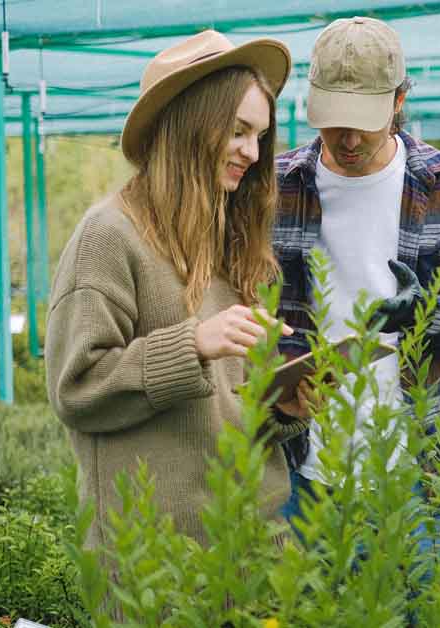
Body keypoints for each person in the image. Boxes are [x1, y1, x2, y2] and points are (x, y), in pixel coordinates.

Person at [271, 13, 440, 586]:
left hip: (423, 471)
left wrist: (436, 317)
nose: (349, 138)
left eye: (363, 121)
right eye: (334, 121)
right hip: (302, 470)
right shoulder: (276, 188)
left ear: (400, 100)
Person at [45, 30, 295, 550]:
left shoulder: (232, 241)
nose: (252, 152)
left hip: (256, 549)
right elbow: (77, 388)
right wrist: (194, 344)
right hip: (161, 565)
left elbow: (227, 407)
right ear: (192, 124)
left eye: (260, 136)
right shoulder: (109, 235)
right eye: (239, 130)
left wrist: (284, 404)